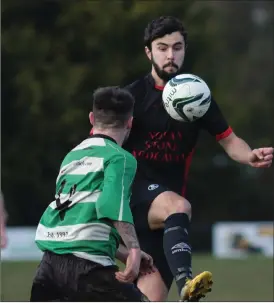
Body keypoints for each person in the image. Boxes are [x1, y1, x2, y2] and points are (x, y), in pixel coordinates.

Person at [120, 16, 274, 301]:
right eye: (162, 47)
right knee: (179, 204)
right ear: (148, 52)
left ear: (185, 50)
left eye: (177, 47)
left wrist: (250, 155)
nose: (170, 55)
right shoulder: (132, 97)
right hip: (130, 203)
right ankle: (187, 284)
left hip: (166, 223)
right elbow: (104, 146)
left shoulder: (197, 95)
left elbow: (229, 141)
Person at [30, 87, 153, 302]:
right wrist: (133, 249)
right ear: (130, 122)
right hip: (87, 271)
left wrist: (122, 253)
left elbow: (80, 222)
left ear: (91, 118)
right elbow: (111, 202)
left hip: (48, 267)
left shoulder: (72, 156)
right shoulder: (120, 158)